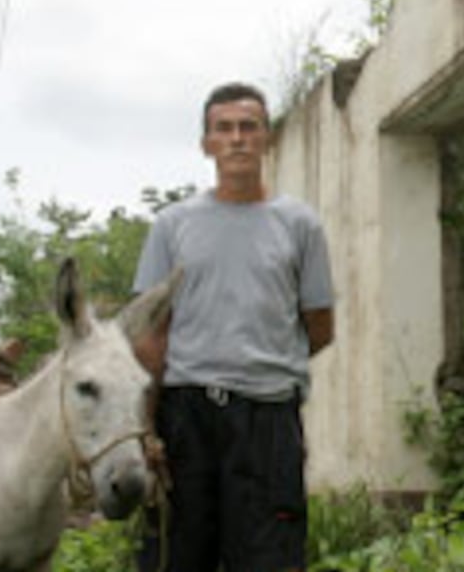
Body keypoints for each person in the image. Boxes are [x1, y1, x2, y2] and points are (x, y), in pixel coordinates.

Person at [132, 83, 335, 571]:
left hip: (268, 421)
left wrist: (259, 363)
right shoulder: (173, 225)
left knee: (270, 557)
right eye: (224, 129)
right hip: (185, 416)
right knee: (176, 555)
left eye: (249, 127)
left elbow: (320, 327)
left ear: (267, 138)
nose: (237, 139)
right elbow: (150, 336)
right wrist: (147, 429)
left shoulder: (300, 225)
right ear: (207, 144)